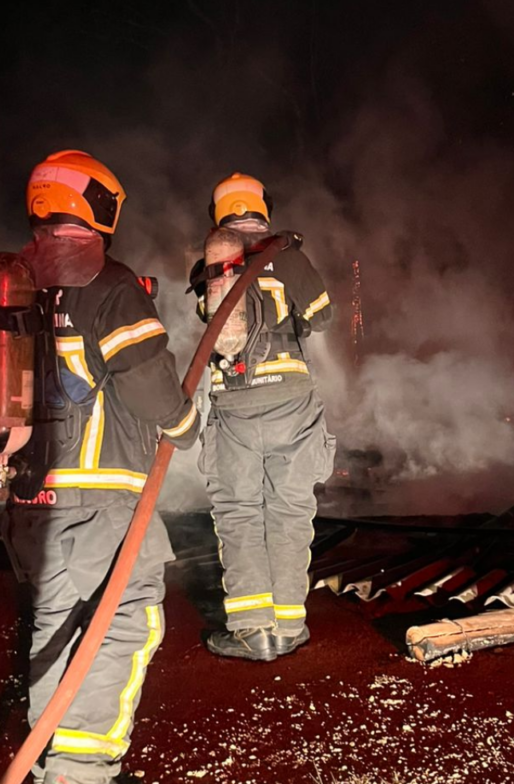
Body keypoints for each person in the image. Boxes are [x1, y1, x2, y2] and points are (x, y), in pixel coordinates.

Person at [3, 150, 199, 784]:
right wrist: (183, 424)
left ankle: (52, 763)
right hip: (100, 499)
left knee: (56, 626)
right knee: (123, 620)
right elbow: (146, 381)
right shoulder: (110, 286)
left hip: (32, 503)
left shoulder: (13, 282)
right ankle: (81, 769)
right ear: (99, 205)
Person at [190, 172, 336, 662]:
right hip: (291, 401)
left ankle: (254, 631)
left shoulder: (213, 264)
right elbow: (321, 315)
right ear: (262, 207)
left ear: (219, 213)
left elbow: (209, 323)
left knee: (239, 512)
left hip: (233, 404)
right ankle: (290, 625)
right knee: (291, 511)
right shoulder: (287, 254)